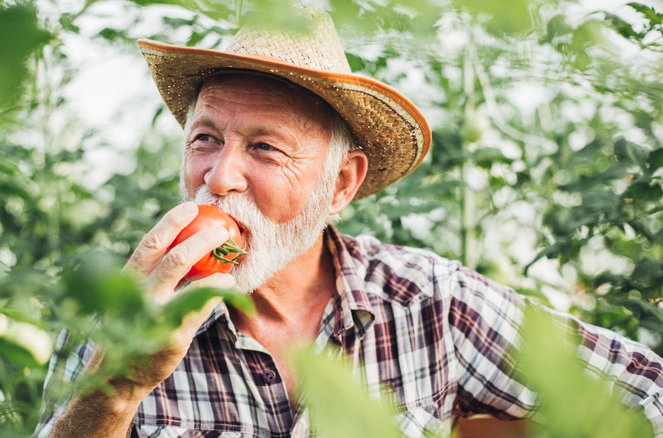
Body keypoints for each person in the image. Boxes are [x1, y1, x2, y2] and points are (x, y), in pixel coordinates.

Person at [35, 4, 663, 438]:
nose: (219, 177)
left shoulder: (431, 305)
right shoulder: (116, 319)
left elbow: (648, 394)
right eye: (205, 138)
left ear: (340, 184)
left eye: (264, 148)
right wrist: (116, 386)